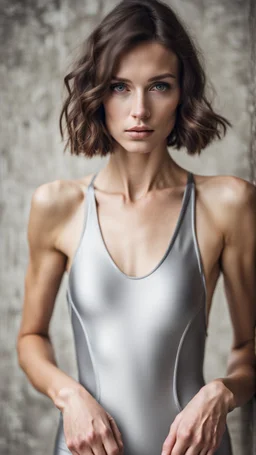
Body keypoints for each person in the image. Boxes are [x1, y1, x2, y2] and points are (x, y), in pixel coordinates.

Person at [17, 0, 256, 454]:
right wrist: (69, 397)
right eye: (120, 87)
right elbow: (30, 337)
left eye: (159, 86)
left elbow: (250, 347)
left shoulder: (228, 203)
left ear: (182, 93)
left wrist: (220, 394)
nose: (139, 110)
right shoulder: (57, 206)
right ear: (97, 94)